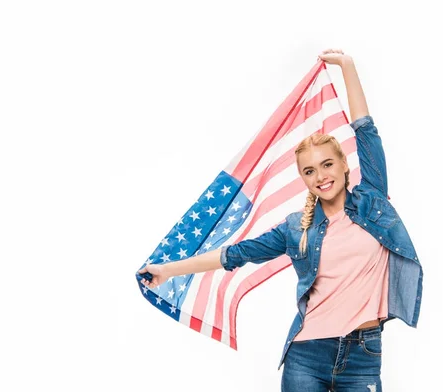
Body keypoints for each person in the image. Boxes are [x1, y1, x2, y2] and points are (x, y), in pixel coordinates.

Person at [139, 49, 423, 392]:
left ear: (344, 165)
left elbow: (366, 130)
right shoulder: (295, 228)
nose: (321, 176)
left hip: (364, 354)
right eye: (309, 171)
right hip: (307, 356)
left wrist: (348, 67)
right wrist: (168, 270)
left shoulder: (372, 200)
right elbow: (235, 254)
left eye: (327, 164)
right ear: (303, 178)